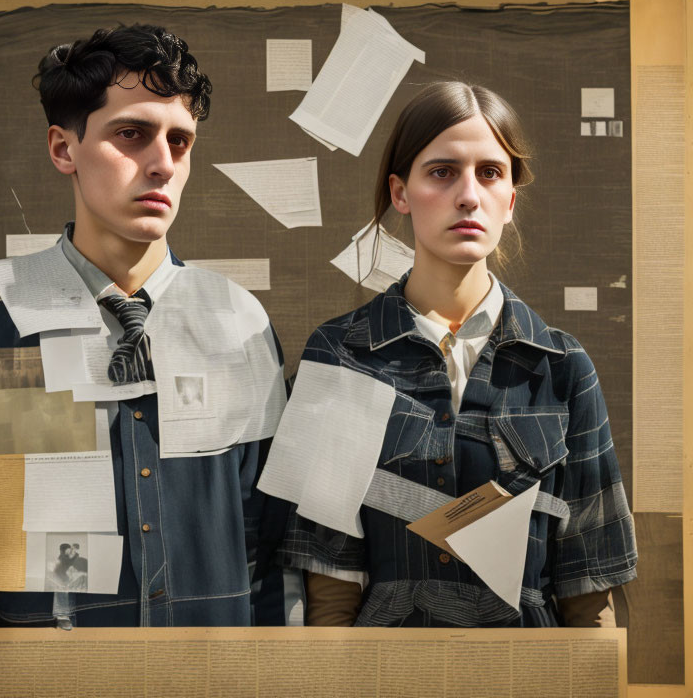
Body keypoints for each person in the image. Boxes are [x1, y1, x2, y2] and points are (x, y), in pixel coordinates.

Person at [0, 24, 294, 628]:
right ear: (63, 148)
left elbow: (275, 562)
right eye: (132, 134)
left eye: (180, 141)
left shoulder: (240, 329)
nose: (161, 164)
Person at [260, 81, 637, 627]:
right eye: (442, 172)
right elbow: (329, 587)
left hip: (527, 677)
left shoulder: (561, 366)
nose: (468, 195)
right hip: (384, 677)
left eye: (489, 173)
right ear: (401, 193)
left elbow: (589, 590)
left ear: (509, 200)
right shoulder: (340, 353)